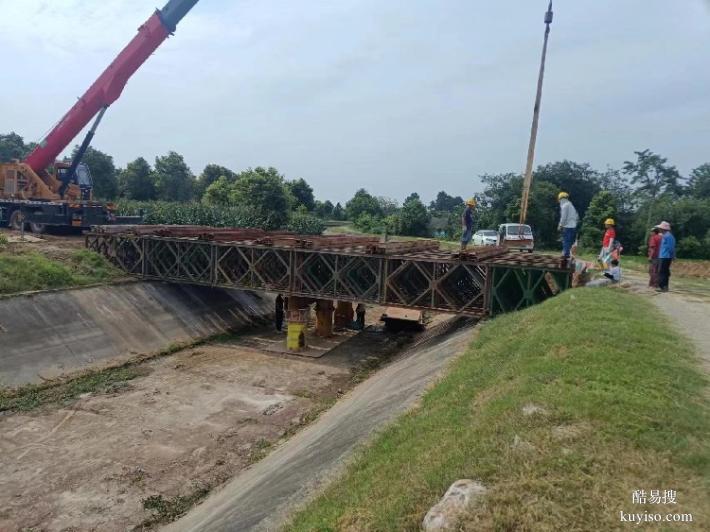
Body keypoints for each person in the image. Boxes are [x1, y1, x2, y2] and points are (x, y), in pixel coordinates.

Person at [557, 192, 579, 258]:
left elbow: (563, 217)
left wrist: (560, 225)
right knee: (569, 241)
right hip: (573, 226)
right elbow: (576, 216)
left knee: (566, 240)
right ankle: (568, 254)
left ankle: (566, 254)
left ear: (560, 199)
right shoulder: (570, 205)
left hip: (567, 226)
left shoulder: (565, 205)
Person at [657, 221, 675, 292]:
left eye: (660, 228)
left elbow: (671, 248)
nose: (659, 229)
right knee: (664, 272)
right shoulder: (665, 236)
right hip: (663, 256)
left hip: (666, 257)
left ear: (663, 229)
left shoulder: (668, 236)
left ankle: (663, 286)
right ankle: (664, 287)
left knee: (662, 272)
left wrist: (673, 256)